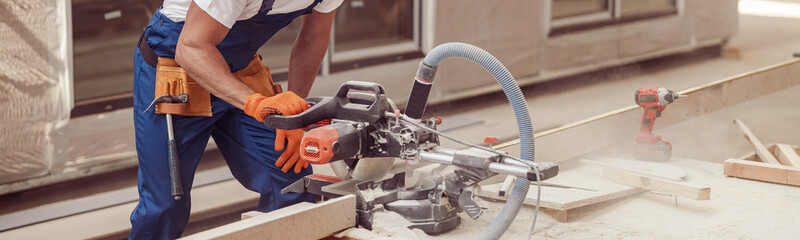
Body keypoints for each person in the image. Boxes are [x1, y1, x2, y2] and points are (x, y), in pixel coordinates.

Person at [130, 0, 341, 238]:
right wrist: (256, 103)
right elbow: (191, 47)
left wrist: (294, 116)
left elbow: (313, 38)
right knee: (165, 206)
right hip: (176, 70)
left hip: (240, 72)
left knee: (291, 184)